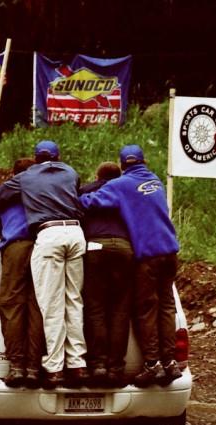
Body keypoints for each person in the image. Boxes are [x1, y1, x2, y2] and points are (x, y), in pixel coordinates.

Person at [79, 144, 183, 387]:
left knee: (145, 310)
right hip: (170, 252)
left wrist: (80, 195)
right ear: (144, 162)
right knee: (166, 307)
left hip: (148, 256)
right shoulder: (155, 180)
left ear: (123, 164)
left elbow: (91, 203)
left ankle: (152, 365)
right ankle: (169, 363)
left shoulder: (120, 184)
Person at [0, 140, 87, 388]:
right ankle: (39, 368)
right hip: (68, 237)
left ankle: (18, 367)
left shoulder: (24, 180)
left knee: (14, 305)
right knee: (45, 307)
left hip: (27, 244)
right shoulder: (69, 174)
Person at [79, 161, 133, 387]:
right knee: (120, 310)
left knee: (96, 308)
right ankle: (115, 368)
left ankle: (98, 364)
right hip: (123, 248)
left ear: (97, 175)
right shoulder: (127, 191)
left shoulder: (86, 191)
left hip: (94, 248)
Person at [0, 157, 45, 388]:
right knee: (38, 307)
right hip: (43, 246)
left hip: (16, 247)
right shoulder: (43, 192)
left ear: (13, 174)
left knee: (12, 304)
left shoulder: (5, 197)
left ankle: (17, 367)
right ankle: (34, 368)